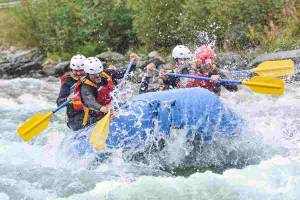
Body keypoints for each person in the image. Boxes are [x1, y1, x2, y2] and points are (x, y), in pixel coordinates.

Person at [78, 54, 139, 128]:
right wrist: (104, 109)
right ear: (88, 73)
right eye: (94, 74)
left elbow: (124, 73)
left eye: (99, 73)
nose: (97, 76)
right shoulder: (86, 87)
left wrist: (133, 64)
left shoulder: (106, 73)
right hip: (94, 116)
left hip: (110, 107)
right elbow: (90, 101)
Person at [56, 54, 86, 131]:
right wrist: (68, 98)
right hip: (75, 116)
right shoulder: (67, 82)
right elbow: (59, 102)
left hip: (91, 111)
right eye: (76, 70)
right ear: (71, 69)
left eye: (81, 70)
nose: (79, 73)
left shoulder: (92, 76)